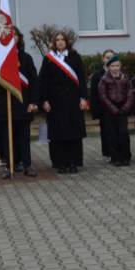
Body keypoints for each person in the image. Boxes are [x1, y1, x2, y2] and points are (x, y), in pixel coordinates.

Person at [0, 29, 40, 179]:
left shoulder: (26, 58)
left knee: (24, 137)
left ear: (19, 38)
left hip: (23, 103)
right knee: (7, 137)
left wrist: (33, 101)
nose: (12, 37)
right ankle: (9, 165)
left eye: (15, 35)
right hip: (4, 104)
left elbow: (33, 81)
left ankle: (27, 164)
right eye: (9, 35)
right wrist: (1, 67)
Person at [39, 31, 88, 174]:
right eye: (57, 40)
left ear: (67, 42)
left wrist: (83, 98)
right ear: (54, 43)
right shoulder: (48, 59)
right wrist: (44, 100)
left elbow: (81, 78)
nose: (60, 42)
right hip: (55, 102)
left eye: (62, 39)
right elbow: (43, 81)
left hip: (73, 101)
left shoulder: (75, 57)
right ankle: (60, 163)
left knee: (73, 132)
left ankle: (73, 162)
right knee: (57, 133)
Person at [98, 56, 134, 167]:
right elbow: (103, 96)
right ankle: (116, 157)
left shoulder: (125, 78)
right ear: (109, 67)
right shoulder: (104, 79)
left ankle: (126, 156)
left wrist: (125, 108)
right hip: (110, 110)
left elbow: (130, 94)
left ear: (120, 66)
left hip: (122, 109)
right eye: (112, 66)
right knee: (113, 134)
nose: (115, 68)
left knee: (123, 133)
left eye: (117, 66)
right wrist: (113, 108)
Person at [89, 49, 115, 160]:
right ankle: (107, 153)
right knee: (106, 131)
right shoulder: (97, 75)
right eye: (107, 57)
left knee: (118, 131)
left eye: (112, 57)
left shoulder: (119, 73)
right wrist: (95, 110)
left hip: (117, 107)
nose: (109, 59)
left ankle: (118, 152)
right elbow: (93, 94)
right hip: (104, 109)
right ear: (103, 59)